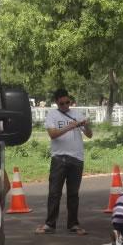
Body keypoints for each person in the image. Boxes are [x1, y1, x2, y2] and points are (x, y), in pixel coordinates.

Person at [35, 89, 92, 235]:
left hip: (77, 158)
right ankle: (50, 224)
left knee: (73, 193)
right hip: (59, 158)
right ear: (56, 102)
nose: (66, 105)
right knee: (54, 193)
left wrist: (86, 125)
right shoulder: (52, 115)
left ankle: (73, 224)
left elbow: (89, 135)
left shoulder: (77, 114)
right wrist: (70, 126)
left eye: (68, 102)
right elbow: (53, 134)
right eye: (62, 103)